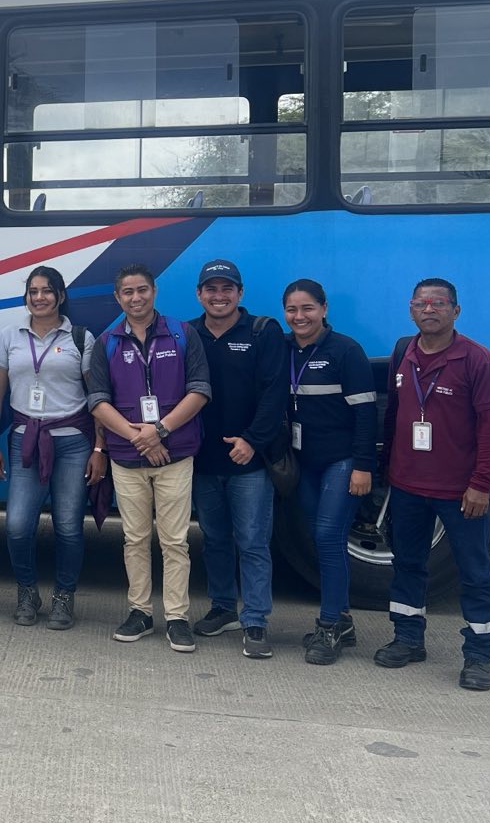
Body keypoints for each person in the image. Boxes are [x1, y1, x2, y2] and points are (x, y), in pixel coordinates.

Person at [377, 278, 490, 691]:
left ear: (456, 310)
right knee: (407, 564)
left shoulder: (477, 359)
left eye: (438, 303)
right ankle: (408, 639)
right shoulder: (404, 354)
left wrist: (482, 484)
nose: (429, 309)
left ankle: (479, 655)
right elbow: (393, 416)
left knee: (474, 571)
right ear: (411, 309)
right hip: (407, 485)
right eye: (421, 303)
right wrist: (386, 470)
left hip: (460, 491)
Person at [86, 263, 210, 653]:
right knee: (135, 538)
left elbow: (200, 391)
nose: (136, 298)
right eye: (128, 292)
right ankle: (139, 611)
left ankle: (176, 617)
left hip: (175, 454)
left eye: (142, 290)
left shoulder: (183, 334)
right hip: (127, 456)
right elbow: (97, 402)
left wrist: (160, 431)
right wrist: (139, 437)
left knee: (175, 540)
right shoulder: (107, 342)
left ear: (154, 291)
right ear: (117, 297)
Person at [0, 265, 99, 631]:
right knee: (17, 525)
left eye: (47, 290)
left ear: (60, 296)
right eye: (33, 291)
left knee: (68, 526)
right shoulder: (9, 337)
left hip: (73, 442)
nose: (39, 297)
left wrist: (100, 449)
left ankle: (64, 596)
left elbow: (96, 397)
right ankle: (27, 592)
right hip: (25, 440)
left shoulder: (80, 338)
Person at [189, 259, 289, 660]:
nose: (219, 296)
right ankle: (223, 607)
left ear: (240, 293)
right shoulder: (188, 334)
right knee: (214, 539)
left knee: (252, 541)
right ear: (199, 294)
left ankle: (256, 620)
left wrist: (252, 441)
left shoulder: (263, 332)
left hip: (248, 459)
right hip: (202, 459)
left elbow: (275, 394)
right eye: (211, 289)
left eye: (227, 288)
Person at [282, 279, 378, 666]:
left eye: (307, 308)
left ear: (323, 309)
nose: (299, 317)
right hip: (303, 463)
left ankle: (329, 626)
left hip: (341, 461)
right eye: (292, 309)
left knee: (327, 535)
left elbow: (366, 415)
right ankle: (343, 619)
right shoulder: (283, 349)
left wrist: (363, 466)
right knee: (322, 539)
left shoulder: (345, 351)